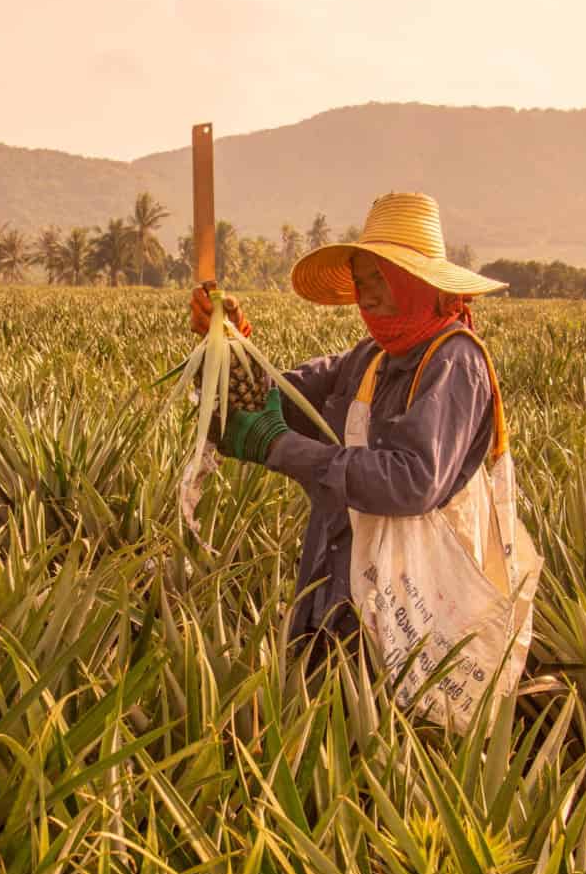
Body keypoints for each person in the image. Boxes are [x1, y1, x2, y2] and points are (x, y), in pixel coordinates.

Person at [189, 191, 510, 673]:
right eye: (361, 280)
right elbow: (270, 401)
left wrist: (280, 447)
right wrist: (226, 344)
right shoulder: (368, 359)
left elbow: (411, 481)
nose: (368, 294)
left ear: (420, 282)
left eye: (382, 278)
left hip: (413, 611)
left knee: (396, 737)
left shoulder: (454, 361)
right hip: (335, 594)